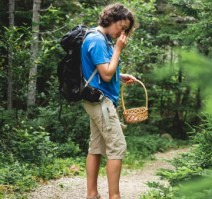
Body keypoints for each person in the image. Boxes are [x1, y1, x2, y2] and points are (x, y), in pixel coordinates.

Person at [81, 3, 137, 199]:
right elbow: (105, 74)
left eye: (125, 29)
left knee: (95, 147)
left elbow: (103, 70)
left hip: (99, 100)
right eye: (121, 26)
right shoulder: (97, 40)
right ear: (110, 19)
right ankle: (115, 196)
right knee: (117, 146)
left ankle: (92, 194)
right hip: (100, 101)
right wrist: (119, 50)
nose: (121, 32)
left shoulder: (102, 39)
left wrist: (120, 76)